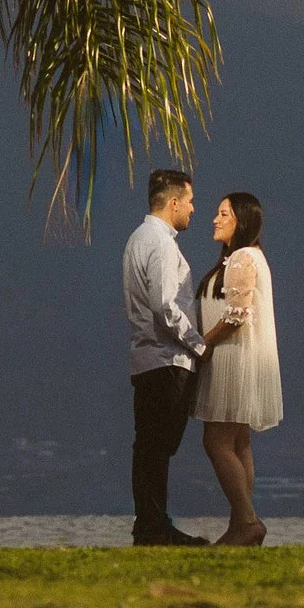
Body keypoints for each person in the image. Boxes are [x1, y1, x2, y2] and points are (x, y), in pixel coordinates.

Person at [122, 169, 211, 546]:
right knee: (157, 447)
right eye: (189, 201)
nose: (193, 209)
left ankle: (150, 523)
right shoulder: (159, 243)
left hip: (147, 358)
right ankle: (154, 526)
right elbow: (165, 305)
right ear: (173, 202)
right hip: (166, 360)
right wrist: (199, 345)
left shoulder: (138, 239)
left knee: (149, 446)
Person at [194, 192, 281, 546]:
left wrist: (204, 343)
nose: (215, 220)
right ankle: (239, 524)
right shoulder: (247, 257)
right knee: (239, 441)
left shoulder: (244, 257)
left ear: (241, 221)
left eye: (224, 214)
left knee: (216, 441)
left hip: (233, 359)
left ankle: (246, 521)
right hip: (241, 358)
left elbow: (237, 314)